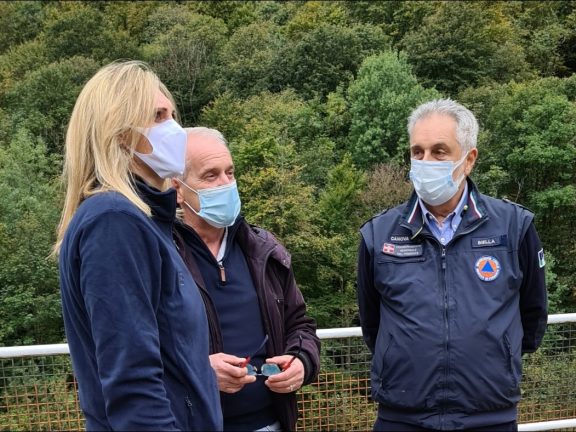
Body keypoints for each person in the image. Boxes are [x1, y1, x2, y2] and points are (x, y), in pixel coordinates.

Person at [357, 99, 548, 432]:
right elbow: (372, 322)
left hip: (489, 416)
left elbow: (533, 317)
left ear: (469, 159)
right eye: (417, 152)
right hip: (402, 417)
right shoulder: (378, 233)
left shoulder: (514, 226)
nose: (425, 162)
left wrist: (499, 357)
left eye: (439, 152)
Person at [55, 61, 222, 431]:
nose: (174, 128)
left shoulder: (146, 221)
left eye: (172, 115)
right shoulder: (115, 221)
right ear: (119, 133)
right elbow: (133, 383)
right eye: (158, 116)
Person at [172, 127, 320, 431]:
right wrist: (199, 371)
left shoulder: (264, 249)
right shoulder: (160, 257)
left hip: (270, 423)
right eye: (211, 175)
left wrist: (302, 361)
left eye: (230, 172)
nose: (226, 183)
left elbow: (300, 324)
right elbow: (138, 352)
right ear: (177, 190)